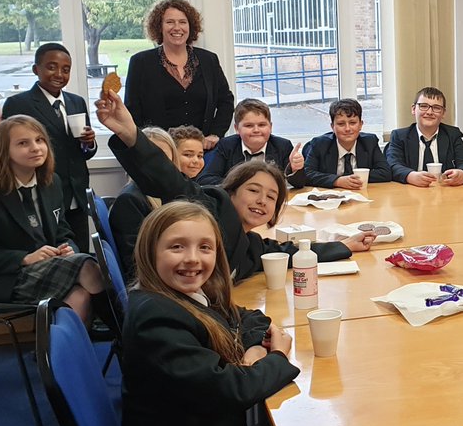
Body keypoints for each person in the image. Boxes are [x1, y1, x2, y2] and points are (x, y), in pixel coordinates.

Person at [95, 87, 373, 283]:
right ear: (230, 191)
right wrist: (130, 132)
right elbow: (171, 181)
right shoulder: (213, 207)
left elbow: (282, 252)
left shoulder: (248, 243)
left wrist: (345, 245)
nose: (262, 201)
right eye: (253, 190)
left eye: (272, 197)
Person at [121, 201, 298, 426]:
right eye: (177, 247)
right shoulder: (156, 318)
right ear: (150, 252)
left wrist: (253, 348)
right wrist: (277, 355)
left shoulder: (188, 294)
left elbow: (245, 316)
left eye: (205, 247)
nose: (193, 258)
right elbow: (230, 390)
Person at [0, 116, 106, 323]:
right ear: (4, 150)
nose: (35, 148)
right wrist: (24, 258)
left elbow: (63, 232)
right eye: (23, 143)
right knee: (89, 267)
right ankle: (123, 334)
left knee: (79, 296)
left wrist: (67, 248)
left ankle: (55, 354)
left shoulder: (51, 182)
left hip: (52, 266)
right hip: (9, 277)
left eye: (40, 140)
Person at [1, 42, 97, 253]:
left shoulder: (76, 102)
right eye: (51, 67)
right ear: (36, 69)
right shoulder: (18, 104)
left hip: (77, 192)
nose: (59, 74)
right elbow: (11, 150)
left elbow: (83, 153)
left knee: (78, 252)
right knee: (50, 250)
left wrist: (89, 143)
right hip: (43, 189)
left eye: (66, 69)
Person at [124, 0, 234, 146]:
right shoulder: (140, 63)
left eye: (183, 22)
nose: (177, 28)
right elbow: (132, 111)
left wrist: (216, 134)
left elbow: (226, 101)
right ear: (159, 27)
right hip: (160, 153)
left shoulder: (209, 60)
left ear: (191, 26)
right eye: (170, 22)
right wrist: (149, 143)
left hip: (202, 153)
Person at [110, 127, 180, 282]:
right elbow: (135, 262)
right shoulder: (129, 201)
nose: (155, 164)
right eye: (149, 157)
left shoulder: (173, 194)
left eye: (162, 158)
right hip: (156, 284)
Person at [198, 99, 305, 188]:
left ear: (271, 127)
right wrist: (242, 185)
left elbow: (300, 184)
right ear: (237, 129)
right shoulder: (226, 146)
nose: (256, 130)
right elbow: (205, 179)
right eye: (249, 126)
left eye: (262, 125)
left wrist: (295, 169)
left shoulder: (282, 146)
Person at [385, 87, 463, 187]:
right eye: (423, 106)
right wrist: (411, 176)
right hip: (410, 192)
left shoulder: (452, 134)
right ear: (414, 109)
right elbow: (392, 165)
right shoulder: (399, 136)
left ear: (443, 113)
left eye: (436, 108)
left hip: (445, 192)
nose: (429, 112)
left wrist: (462, 174)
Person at [302, 98, 391, 189]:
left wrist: (352, 178)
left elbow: (385, 172)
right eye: (341, 124)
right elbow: (307, 174)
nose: (347, 129)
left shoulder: (369, 142)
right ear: (332, 126)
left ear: (360, 125)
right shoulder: (320, 144)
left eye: (352, 123)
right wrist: (337, 181)